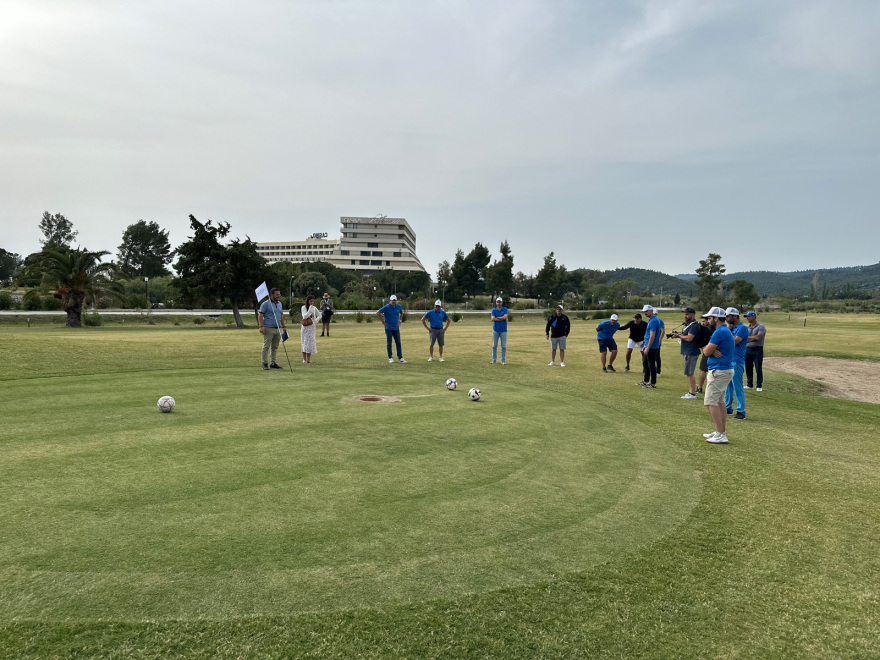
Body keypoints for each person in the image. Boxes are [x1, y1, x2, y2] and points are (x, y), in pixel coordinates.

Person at [701, 306, 736, 444]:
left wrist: (710, 348)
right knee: (720, 402)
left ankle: (720, 434)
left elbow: (706, 351)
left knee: (710, 402)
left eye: (709, 317)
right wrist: (711, 348)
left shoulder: (719, 331)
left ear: (716, 318)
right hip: (724, 370)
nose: (708, 320)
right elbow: (708, 349)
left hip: (719, 371)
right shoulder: (723, 330)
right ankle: (720, 431)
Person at [724, 307, 749, 420]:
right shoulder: (731, 328)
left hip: (737, 361)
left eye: (728, 316)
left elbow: (734, 341)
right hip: (729, 361)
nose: (726, 318)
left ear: (735, 316)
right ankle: (728, 407)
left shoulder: (742, 328)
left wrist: (728, 334)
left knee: (737, 386)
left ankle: (741, 411)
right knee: (728, 386)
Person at [670, 307, 701, 399]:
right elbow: (685, 335)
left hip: (691, 351)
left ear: (693, 315)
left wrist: (678, 336)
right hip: (687, 351)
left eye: (687, 314)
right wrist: (678, 334)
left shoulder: (694, 325)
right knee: (688, 372)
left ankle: (692, 393)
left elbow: (689, 338)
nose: (685, 316)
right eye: (685, 314)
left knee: (690, 372)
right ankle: (691, 392)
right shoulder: (689, 325)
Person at [258, 287, 287, 370]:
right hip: (268, 328)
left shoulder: (280, 304)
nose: (279, 296)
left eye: (279, 294)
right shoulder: (265, 304)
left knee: (275, 347)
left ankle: (273, 363)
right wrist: (261, 326)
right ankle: (264, 363)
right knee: (266, 346)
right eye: (277, 294)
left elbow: (281, 315)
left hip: (278, 328)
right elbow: (260, 315)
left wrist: (283, 326)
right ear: (271, 295)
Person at [377, 295, 407, 363]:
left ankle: (400, 358)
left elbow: (401, 313)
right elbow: (378, 313)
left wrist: (400, 320)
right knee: (389, 343)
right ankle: (390, 358)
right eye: (392, 300)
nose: (393, 302)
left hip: (396, 327)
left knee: (398, 343)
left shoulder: (398, 306)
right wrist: (383, 321)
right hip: (389, 328)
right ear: (390, 300)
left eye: (395, 300)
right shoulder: (387, 307)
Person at [639, 305, 662, 388]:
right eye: (644, 311)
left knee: (651, 364)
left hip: (652, 347)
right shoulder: (652, 320)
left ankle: (653, 383)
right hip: (649, 345)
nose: (645, 313)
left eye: (646, 311)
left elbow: (652, 336)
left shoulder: (653, 321)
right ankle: (646, 381)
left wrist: (647, 348)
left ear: (651, 311)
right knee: (645, 363)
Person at [744, 311, 766, 391]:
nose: (747, 318)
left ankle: (759, 385)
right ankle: (749, 384)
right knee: (748, 367)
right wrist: (753, 338)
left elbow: (758, 337)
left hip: (757, 349)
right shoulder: (747, 328)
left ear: (754, 317)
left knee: (758, 368)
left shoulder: (760, 326)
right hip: (748, 349)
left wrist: (749, 338)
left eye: (749, 316)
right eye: (747, 317)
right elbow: (744, 338)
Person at [300, 294, 320, 364]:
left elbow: (319, 315)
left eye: (313, 301)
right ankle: (304, 359)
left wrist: (316, 320)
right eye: (311, 301)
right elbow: (304, 316)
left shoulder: (314, 308)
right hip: (305, 327)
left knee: (310, 343)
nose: (312, 302)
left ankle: (308, 359)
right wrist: (310, 311)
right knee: (304, 342)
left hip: (311, 327)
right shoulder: (304, 307)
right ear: (308, 301)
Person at [696, 315, 713, 393]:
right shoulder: (715, 328)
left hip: (708, 351)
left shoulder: (707, 329)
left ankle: (700, 387)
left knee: (703, 369)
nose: (703, 323)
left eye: (704, 321)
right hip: (711, 351)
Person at [490, 297, 509, 364]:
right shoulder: (493, 310)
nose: (499, 303)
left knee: (503, 346)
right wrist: (501, 318)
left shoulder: (505, 309)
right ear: (496, 303)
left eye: (500, 302)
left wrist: (497, 318)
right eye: (498, 302)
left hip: (503, 330)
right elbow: (492, 319)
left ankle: (503, 360)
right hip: (496, 330)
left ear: (502, 302)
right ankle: (494, 360)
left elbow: (505, 317)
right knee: (494, 346)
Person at [654, 310, 665, 377]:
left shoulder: (660, 321)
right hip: (651, 341)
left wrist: (659, 340)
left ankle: (658, 371)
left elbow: (663, 331)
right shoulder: (651, 321)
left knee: (657, 356)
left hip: (657, 341)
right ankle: (653, 370)